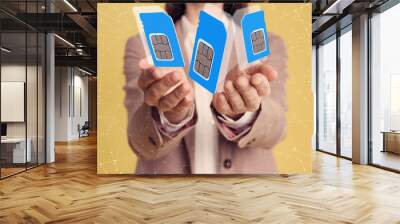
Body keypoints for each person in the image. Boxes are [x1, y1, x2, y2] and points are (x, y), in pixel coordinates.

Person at [124, 3, 288, 174]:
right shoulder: (144, 44)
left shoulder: (262, 41)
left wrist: (242, 114)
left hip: (247, 191)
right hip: (168, 194)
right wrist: (170, 115)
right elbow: (140, 142)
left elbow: (277, 129)